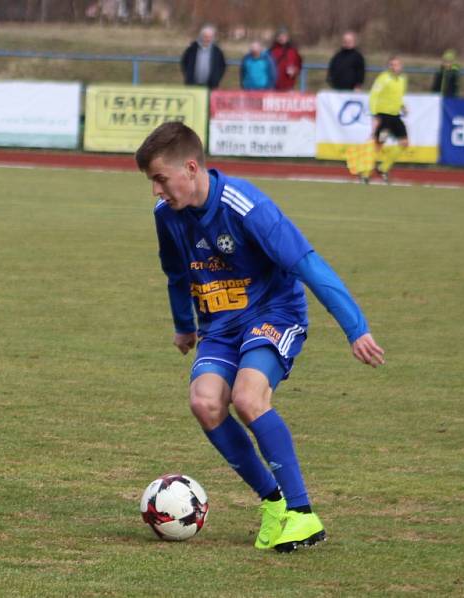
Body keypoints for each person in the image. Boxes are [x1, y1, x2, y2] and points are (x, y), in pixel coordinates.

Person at [135, 121, 385, 552]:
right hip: (219, 324)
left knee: (249, 397)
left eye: (160, 179)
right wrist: (183, 324)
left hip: (275, 312)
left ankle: (304, 516)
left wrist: (355, 328)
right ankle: (273, 503)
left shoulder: (245, 205)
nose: (156, 191)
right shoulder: (167, 217)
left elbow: (308, 265)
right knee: (206, 402)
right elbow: (176, 273)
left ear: (190, 168)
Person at [364, 56, 408, 184]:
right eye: (392, 65)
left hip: (395, 116)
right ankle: (366, 173)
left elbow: (397, 97)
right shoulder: (383, 78)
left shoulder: (402, 80)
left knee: (404, 143)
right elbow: (374, 96)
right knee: (379, 144)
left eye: (397, 65)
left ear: (401, 66)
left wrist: (402, 106)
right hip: (384, 116)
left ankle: (383, 168)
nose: (394, 67)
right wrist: (374, 114)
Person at [180, 24, 227, 90]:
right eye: (205, 36)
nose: (207, 39)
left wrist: (216, 78)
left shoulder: (217, 52)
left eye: (210, 37)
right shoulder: (192, 49)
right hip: (192, 85)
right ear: (201, 36)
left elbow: (222, 66)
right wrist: (188, 75)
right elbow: (184, 62)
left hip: (211, 87)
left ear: (213, 38)